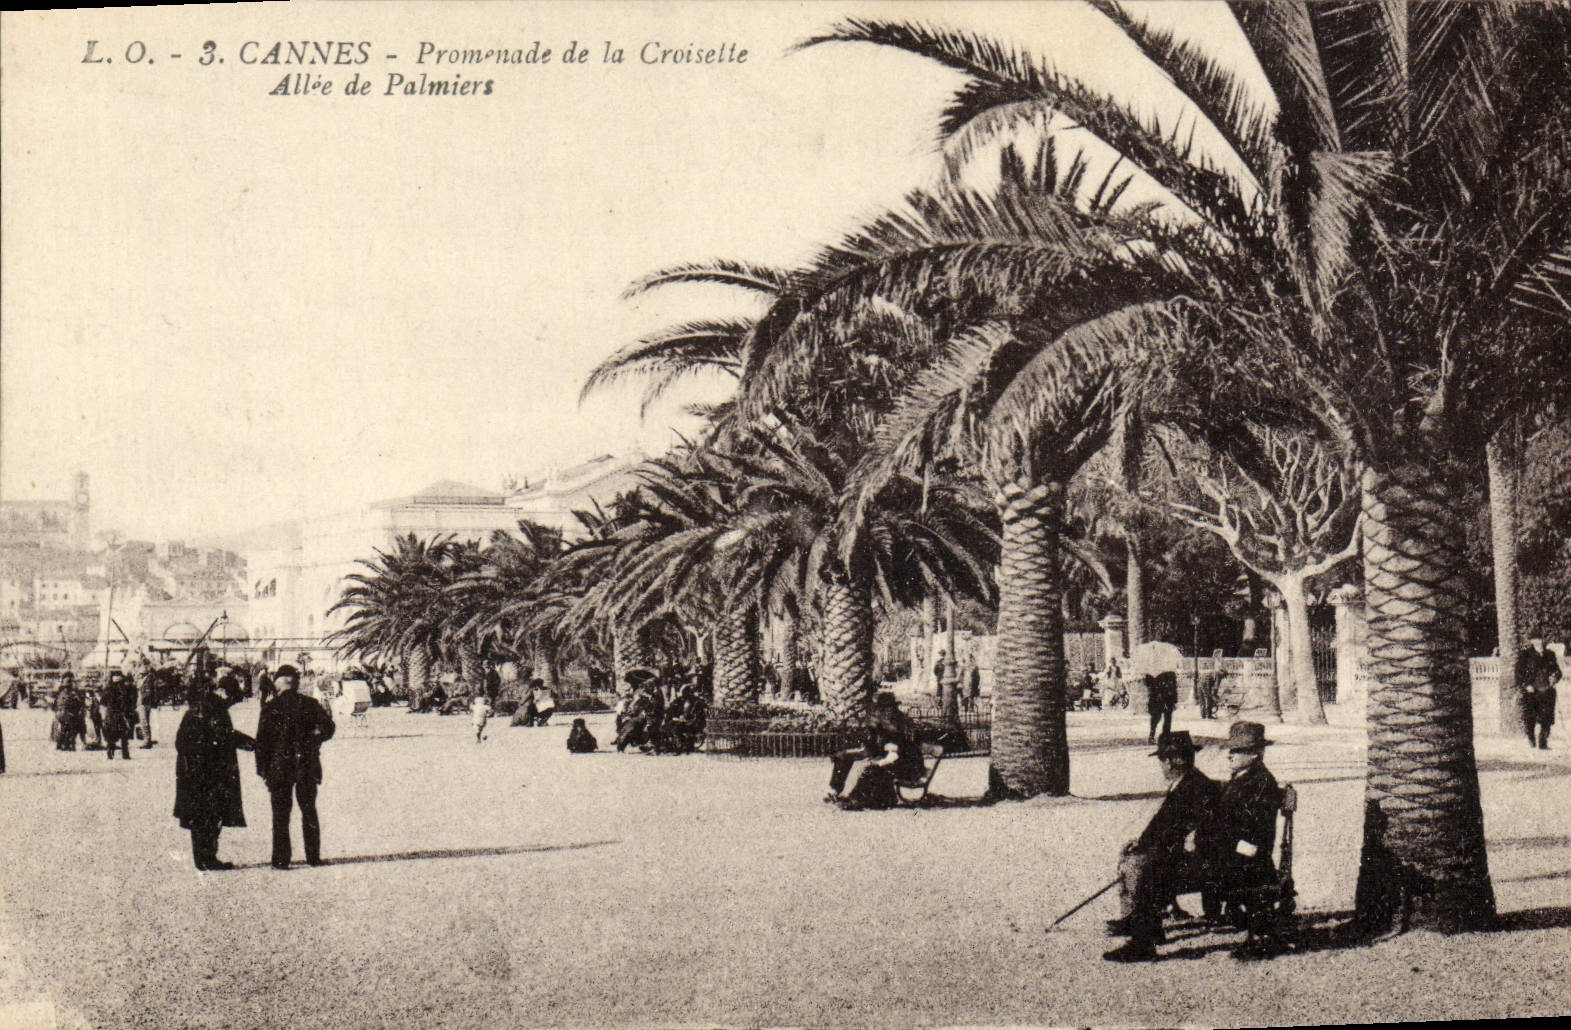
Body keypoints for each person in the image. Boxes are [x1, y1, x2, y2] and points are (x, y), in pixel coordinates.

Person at [1103, 731, 1223, 962]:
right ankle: (1138, 922)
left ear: (1169, 762)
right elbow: (1164, 824)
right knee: (1139, 858)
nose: (1162, 766)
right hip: (1197, 853)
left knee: (1148, 869)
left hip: (1208, 860)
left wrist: (1148, 847)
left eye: (1162, 760)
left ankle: (1142, 941)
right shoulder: (1186, 783)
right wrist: (1143, 842)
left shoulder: (1194, 787)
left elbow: (1177, 829)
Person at [1216, 721, 1287, 959]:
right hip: (1238, 849)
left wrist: (1222, 842)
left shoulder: (1260, 782)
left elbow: (1255, 828)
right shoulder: (1243, 777)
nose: (1231, 755)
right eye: (1231, 750)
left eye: (1239, 751)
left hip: (1248, 853)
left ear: (1257, 754)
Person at [254, 664, 335, 869]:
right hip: (306, 765)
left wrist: (262, 770)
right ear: (296, 683)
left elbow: (261, 743)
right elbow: (328, 727)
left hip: (279, 768)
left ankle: (281, 860)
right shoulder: (310, 704)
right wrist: (315, 739)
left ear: (278, 683)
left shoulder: (270, 707)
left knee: (280, 815)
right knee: (309, 811)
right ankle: (313, 857)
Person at [174, 673, 254, 870]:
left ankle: (202, 858)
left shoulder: (194, 710)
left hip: (191, 771)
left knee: (199, 815)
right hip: (211, 772)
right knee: (211, 814)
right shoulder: (212, 707)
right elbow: (224, 736)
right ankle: (208, 858)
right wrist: (253, 744)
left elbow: (181, 743)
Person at [826, 692, 925, 810]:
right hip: (892, 760)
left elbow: (909, 748)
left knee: (873, 769)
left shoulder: (903, 723)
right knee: (843, 757)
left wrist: (882, 758)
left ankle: (856, 799)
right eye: (883, 708)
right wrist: (858, 753)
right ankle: (836, 791)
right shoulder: (881, 723)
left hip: (909, 765)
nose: (886, 711)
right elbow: (874, 747)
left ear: (894, 707)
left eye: (889, 707)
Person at [1519, 636, 1560, 750]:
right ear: (1531, 641)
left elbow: (1557, 671)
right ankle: (1531, 739)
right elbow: (1519, 672)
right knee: (1530, 718)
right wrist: (1527, 685)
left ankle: (1543, 743)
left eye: (1540, 640)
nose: (1538, 642)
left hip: (1547, 690)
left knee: (1547, 718)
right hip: (1532, 691)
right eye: (1535, 640)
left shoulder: (1550, 654)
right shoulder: (1526, 655)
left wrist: (1555, 677)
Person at [100, 670, 137, 760]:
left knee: (111, 735)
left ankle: (110, 753)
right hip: (121, 713)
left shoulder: (108, 688)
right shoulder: (126, 688)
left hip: (112, 714)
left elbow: (103, 702)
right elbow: (131, 701)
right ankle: (125, 753)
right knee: (124, 734)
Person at [53, 673, 87, 751]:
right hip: (68, 715)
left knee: (60, 724)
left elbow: (54, 705)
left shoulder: (60, 693)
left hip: (59, 714)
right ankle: (80, 742)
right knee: (81, 722)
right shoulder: (73, 693)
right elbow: (79, 704)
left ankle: (60, 743)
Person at [136, 659, 159, 748]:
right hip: (140, 702)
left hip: (145, 702)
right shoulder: (140, 678)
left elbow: (151, 691)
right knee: (143, 721)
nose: (141, 668)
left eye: (143, 666)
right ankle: (146, 739)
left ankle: (146, 740)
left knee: (144, 721)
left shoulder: (150, 678)